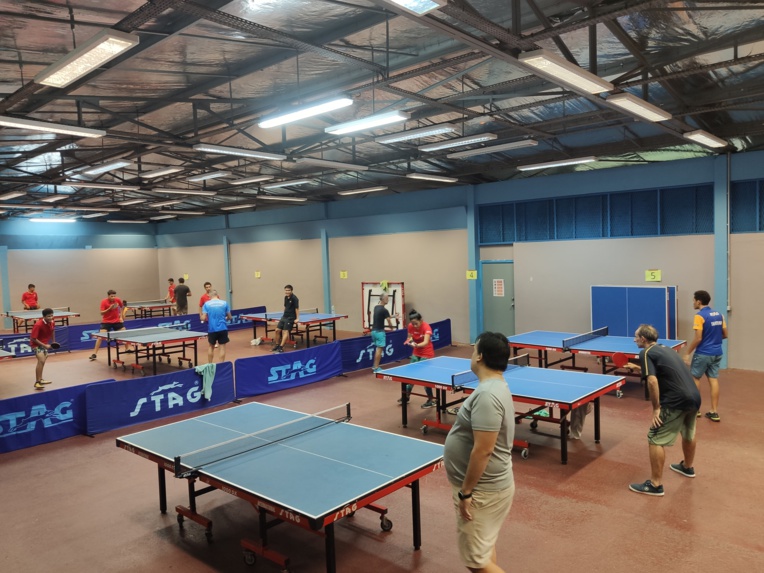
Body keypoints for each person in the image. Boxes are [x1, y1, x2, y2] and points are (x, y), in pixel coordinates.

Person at [444, 331, 515, 573]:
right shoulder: (496, 386)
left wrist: (466, 492)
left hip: (482, 491)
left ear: (480, 356)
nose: (472, 354)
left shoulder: (487, 395)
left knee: (476, 562)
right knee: (484, 549)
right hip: (490, 487)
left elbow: (483, 450)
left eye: (474, 349)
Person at [629, 324, 701, 497]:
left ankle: (655, 485)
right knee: (689, 432)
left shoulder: (645, 352)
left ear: (643, 339)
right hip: (694, 397)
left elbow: (652, 381)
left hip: (675, 400)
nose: (634, 340)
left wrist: (656, 409)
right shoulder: (667, 349)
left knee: (655, 438)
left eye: (636, 337)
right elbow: (665, 371)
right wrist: (638, 368)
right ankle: (687, 467)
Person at [683, 290, 728, 422]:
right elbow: (725, 334)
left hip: (703, 353)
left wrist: (687, 353)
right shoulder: (719, 315)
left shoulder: (699, 316)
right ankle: (714, 411)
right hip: (717, 352)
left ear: (699, 301)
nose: (693, 303)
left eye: (693, 300)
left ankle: (696, 410)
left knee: (695, 378)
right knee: (713, 380)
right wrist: (713, 340)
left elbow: (698, 338)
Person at [401, 309, 436, 408]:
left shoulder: (426, 327)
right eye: (413, 324)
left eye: (416, 323)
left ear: (421, 320)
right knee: (411, 374)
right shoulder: (410, 326)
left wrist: (416, 345)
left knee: (424, 377)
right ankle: (406, 396)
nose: (414, 326)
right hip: (416, 352)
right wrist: (410, 341)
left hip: (426, 353)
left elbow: (425, 342)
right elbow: (409, 337)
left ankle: (431, 400)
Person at [90, 290, 126, 361]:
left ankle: (127, 349)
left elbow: (123, 307)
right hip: (106, 322)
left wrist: (121, 316)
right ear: (108, 296)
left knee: (125, 333)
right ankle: (94, 354)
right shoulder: (104, 302)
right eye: (111, 296)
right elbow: (101, 313)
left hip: (116, 321)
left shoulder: (117, 300)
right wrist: (109, 308)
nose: (113, 297)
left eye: (114, 296)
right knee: (100, 337)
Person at [201, 290, 232, 363]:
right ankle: (221, 364)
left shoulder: (207, 304)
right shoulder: (224, 303)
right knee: (222, 348)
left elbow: (203, 318)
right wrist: (226, 318)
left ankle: (210, 364)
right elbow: (230, 317)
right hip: (223, 328)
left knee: (211, 347)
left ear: (210, 296)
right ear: (217, 295)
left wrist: (201, 317)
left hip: (212, 329)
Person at [371, 292, 398, 373]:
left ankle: (374, 366)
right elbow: (388, 320)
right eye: (387, 298)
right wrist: (392, 328)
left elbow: (386, 316)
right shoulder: (384, 310)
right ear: (383, 299)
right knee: (379, 350)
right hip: (380, 332)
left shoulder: (376, 307)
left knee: (377, 349)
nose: (388, 300)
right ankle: (376, 368)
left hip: (373, 332)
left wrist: (394, 316)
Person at [30, 308, 56, 390]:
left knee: (43, 361)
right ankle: (37, 382)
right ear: (44, 316)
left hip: (45, 343)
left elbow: (52, 331)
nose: (51, 317)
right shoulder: (38, 325)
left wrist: (53, 342)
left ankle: (40, 379)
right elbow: (33, 338)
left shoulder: (52, 322)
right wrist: (44, 345)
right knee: (41, 360)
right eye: (48, 316)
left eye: (52, 315)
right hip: (36, 344)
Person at [271, 284, 299, 353]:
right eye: (286, 290)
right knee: (277, 330)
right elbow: (285, 306)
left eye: (288, 290)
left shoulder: (295, 298)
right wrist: (283, 314)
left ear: (291, 291)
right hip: (284, 317)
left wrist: (297, 318)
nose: (287, 292)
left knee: (285, 331)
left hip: (291, 317)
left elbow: (297, 308)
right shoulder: (286, 297)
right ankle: (277, 345)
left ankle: (281, 347)